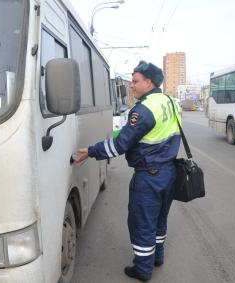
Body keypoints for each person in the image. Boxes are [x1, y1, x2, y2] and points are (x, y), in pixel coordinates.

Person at [73, 61, 181, 282]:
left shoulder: (143, 110)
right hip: (169, 173)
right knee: (160, 219)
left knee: (142, 222)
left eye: (135, 81)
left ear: (148, 82)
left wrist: (91, 151)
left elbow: (120, 145)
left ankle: (142, 269)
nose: (132, 86)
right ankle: (157, 257)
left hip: (149, 176)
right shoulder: (171, 102)